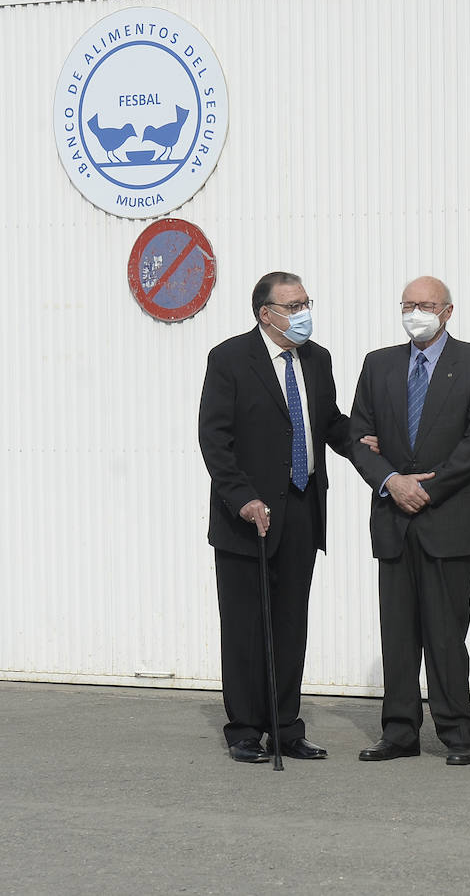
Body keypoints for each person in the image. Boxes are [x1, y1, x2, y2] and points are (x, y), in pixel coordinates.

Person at [198, 271, 351, 763]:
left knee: (290, 623)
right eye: (293, 304)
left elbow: (328, 423)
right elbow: (214, 439)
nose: (304, 311)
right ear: (266, 313)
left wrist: (370, 442)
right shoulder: (229, 359)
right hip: (249, 515)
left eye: (307, 301)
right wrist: (241, 496)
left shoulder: (317, 358)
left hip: (303, 505)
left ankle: (285, 725)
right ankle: (244, 728)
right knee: (245, 626)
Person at [349, 276, 470, 766]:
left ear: (449, 311)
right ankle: (398, 732)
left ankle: (458, 732)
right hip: (394, 516)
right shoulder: (379, 364)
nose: (418, 312)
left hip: (449, 517)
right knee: (396, 631)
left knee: (445, 631)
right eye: (409, 304)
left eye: (428, 305)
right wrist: (392, 480)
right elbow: (358, 436)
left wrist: (425, 489)